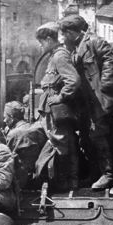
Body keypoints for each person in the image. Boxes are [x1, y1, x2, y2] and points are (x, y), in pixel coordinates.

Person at [59, 14, 113, 190]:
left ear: (72, 32)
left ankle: (108, 174)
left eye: (65, 33)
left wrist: (105, 85)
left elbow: (111, 59)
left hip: (102, 100)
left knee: (99, 136)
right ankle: (96, 173)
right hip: (89, 102)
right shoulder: (75, 48)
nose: (63, 37)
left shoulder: (94, 42)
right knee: (88, 138)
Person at [35, 21, 81, 192]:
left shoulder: (59, 56)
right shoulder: (54, 56)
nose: (40, 46)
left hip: (57, 111)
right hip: (53, 110)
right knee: (63, 142)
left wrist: (61, 97)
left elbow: (73, 80)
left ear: (49, 39)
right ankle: (69, 181)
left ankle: (66, 183)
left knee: (60, 143)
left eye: (41, 42)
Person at [3, 100, 46, 190]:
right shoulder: (37, 128)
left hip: (21, 179)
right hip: (39, 174)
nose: (4, 120)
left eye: (5, 117)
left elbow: (7, 158)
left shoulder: (13, 134)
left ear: (12, 117)